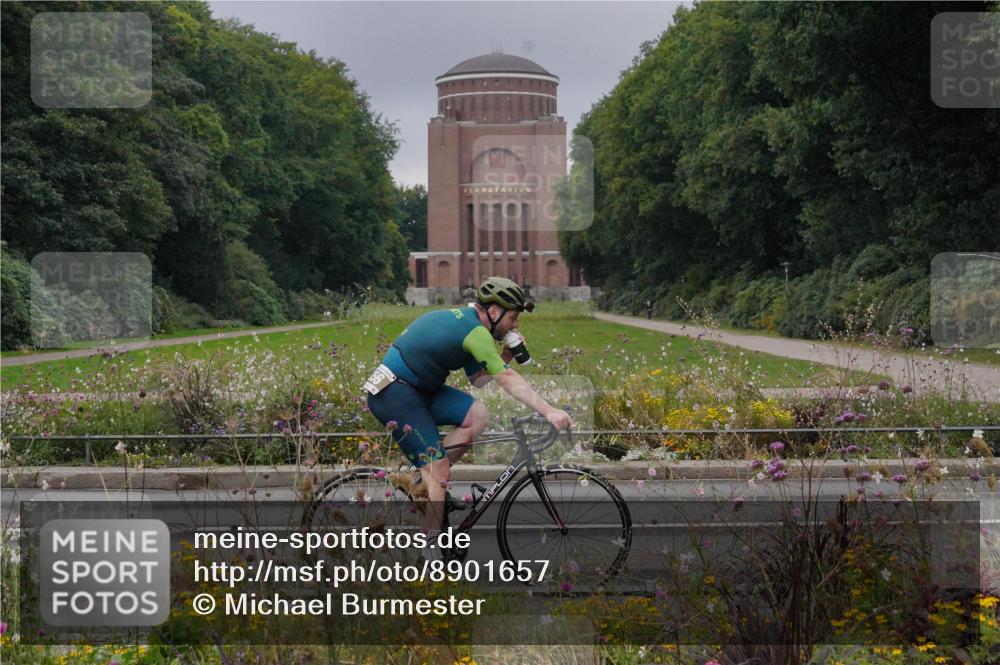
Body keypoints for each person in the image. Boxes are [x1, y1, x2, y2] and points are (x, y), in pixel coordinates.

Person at [365, 277, 574, 559]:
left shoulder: (473, 327)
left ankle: (422, 481)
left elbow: (478, 379)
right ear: (494, 311)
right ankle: (429, 561)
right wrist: (549, 411)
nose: (515, 325)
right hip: (395, 393)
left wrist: (505, 356)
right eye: (513, 317)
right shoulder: (475, 333)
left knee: (477, 415)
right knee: (438, 471)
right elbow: (506, 380)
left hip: (419, 389)